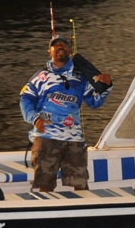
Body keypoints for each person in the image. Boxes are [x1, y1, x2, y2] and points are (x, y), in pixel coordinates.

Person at [19, 35, 113, 191]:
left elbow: (94, 102)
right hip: (46, 137)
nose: (60, 46)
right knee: (44, 184)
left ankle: (82, 213)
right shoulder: (40, 77)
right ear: (49, 51)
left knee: (80, 185)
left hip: (74, 139)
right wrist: (35, 119)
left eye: (64, 44)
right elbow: (25, 99)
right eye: (55, 45)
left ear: (69, 50)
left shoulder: (82, 76)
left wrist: (107, 87)